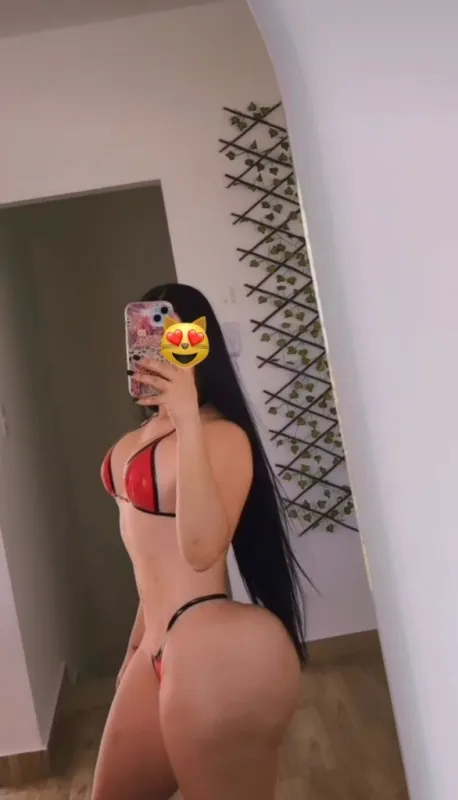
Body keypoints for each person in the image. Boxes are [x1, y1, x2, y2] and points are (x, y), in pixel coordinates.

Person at [93, 283, 308, 800]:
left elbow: (200, 549)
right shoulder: (138, 439)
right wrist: (134, 649)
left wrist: (187, 417)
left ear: (197, 346)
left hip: (209, 646)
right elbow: (150, 560)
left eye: (173, 339)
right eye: (144, 337)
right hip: (154, 642)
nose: (156, 352)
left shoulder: (221, 436)